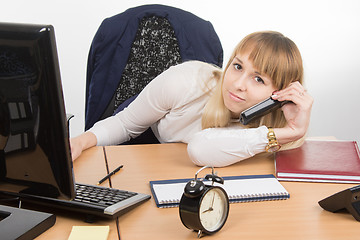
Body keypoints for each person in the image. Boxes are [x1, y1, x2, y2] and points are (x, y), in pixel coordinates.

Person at [70, 31, 313, 167]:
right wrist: (79, 142)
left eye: (258, 79)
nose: (238, 85)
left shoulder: (275, 124)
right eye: (237, 66)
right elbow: (125, 124)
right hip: (153, 166)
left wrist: (293, 130)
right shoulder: (185, 82)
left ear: (279, 94)